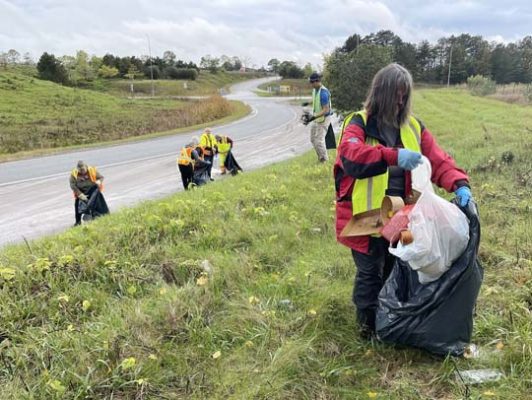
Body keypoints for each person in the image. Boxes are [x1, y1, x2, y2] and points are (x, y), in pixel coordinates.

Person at [334, 63, 473, 338]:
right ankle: (367, 328)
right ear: (381, 93)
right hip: (365, 216)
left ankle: (387, 322)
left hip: (402, 216)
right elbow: (351, 157)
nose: (400, 101)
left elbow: (438, 159)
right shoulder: (358, 123)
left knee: (392, 268)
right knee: (368, 273)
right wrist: (392, 156)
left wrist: (459, 183)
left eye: (404, 95)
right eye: (396, 94)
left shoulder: (413, 127)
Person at [69, 160, 108, 226]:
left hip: (92, 190)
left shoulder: (92, 170)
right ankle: (78, 222)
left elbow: (101, 177)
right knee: (77, 205)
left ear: (86, 167)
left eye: (83, 169)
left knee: (97, 201)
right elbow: (73, 185)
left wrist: (99, 181)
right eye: (80, 170)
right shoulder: (74, 174)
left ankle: (101, 215)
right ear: (77, 169)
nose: (82, 171)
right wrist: (80, 194)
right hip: (81, 192)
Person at [307, 72, 332, 163]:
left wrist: (313, 116)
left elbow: (326, 110)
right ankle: (320, 157)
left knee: (319, 140)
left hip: (324, 119)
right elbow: (315, 100)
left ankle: (325, 161)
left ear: (317, 81)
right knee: (313, 139)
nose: (311, 84)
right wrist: (308, 103)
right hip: (317, 118)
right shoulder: (315, 90)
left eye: (312, 82)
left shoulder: (324, 93)